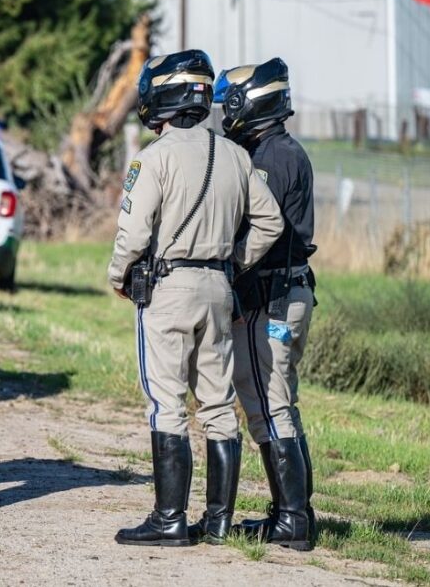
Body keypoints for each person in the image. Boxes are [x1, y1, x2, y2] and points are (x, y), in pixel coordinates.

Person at [107, 49, 283, 547]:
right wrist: (234, 260)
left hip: (169, 287)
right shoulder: (235, 154)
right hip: (219, 287)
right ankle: (219, 522)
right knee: (218, 404)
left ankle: (169, 520)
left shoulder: (153, 157)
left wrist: (119, 275)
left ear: (161, 97)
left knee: (167, 402)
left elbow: (133, 233)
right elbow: (270, 221)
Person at [215, 58, 318, 551]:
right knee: (278, 403)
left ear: (251, 103)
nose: (225, 114)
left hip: (273, 297)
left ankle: (292, 520)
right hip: (286, 292)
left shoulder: (272, 157)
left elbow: (258, 225)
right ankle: (292, 512)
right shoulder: (276, 149)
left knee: (269, 404)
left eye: (231, 104)